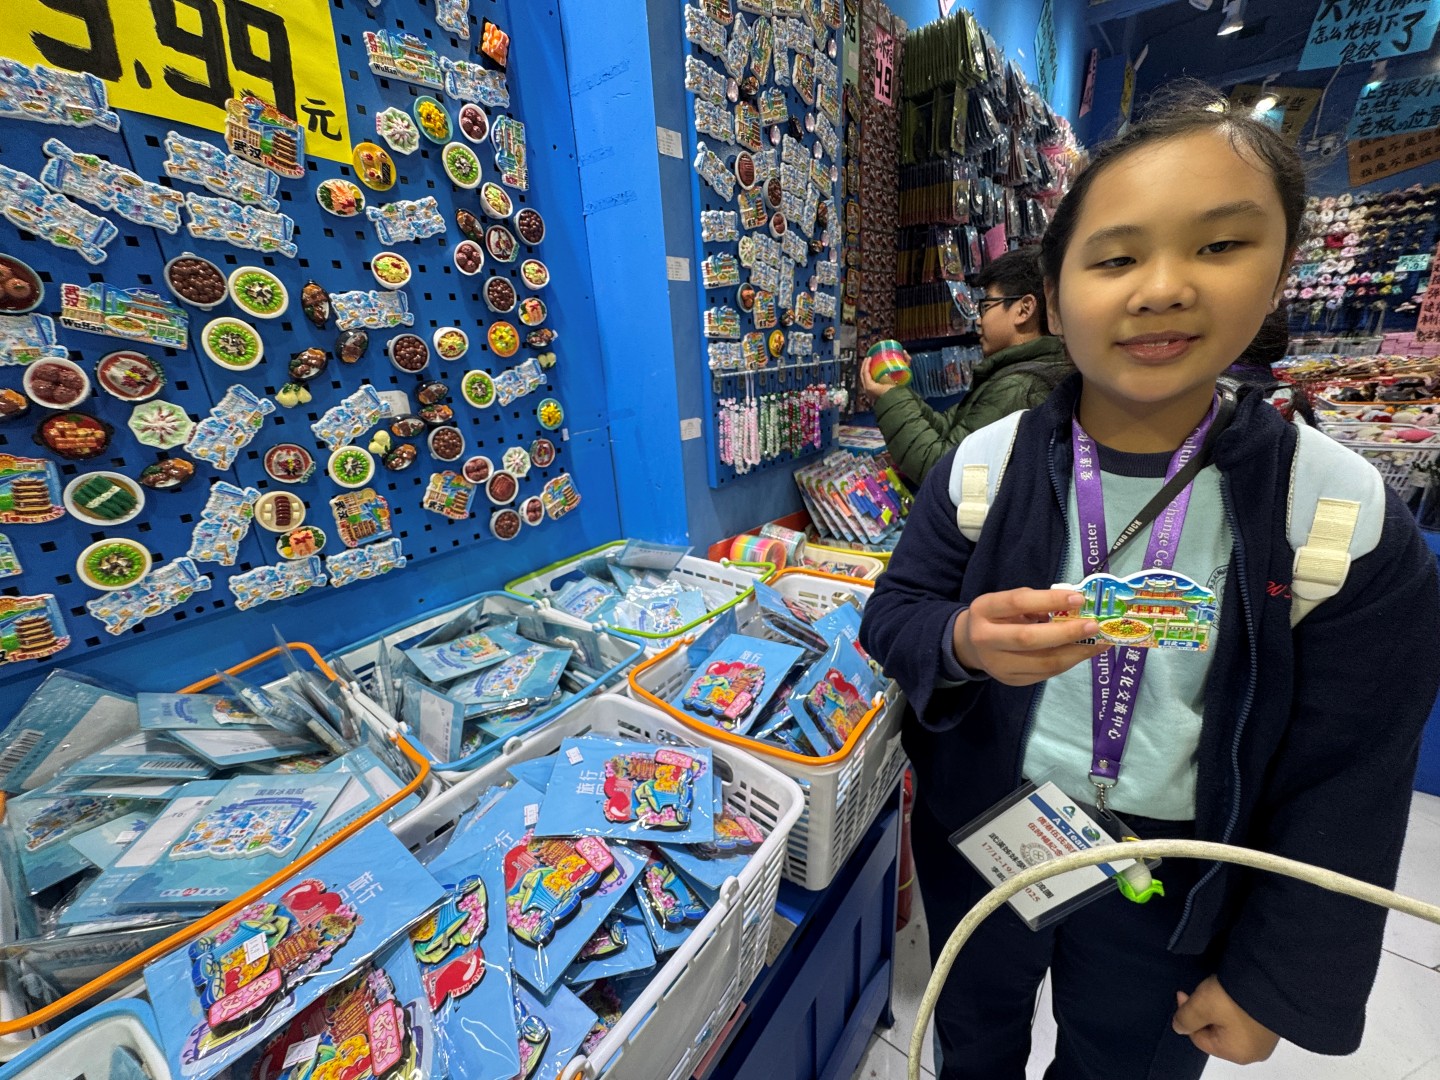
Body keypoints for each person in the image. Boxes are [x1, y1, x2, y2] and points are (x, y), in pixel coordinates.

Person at [859, 85, 1440, 1080]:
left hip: (1175, 872)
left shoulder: (1337, 514)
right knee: (974, 1038)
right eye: (1117, 258)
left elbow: (1350, 775)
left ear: (1280, 272)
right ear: (1057, 292)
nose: (1163, 288)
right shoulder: (983, 466)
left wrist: (1273, 980)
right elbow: (896, 613)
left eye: (1220, 245)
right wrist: (961, 642)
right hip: (992, 832)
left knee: (1126, 1063)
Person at [861, 247, 1072, 484]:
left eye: (986, 306)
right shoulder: (1016, 374)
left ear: (1024, 309)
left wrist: (891, 398)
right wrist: (897, 392)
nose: (979, 320)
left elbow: (942, 469)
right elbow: (949, 428)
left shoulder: (1019, 389)